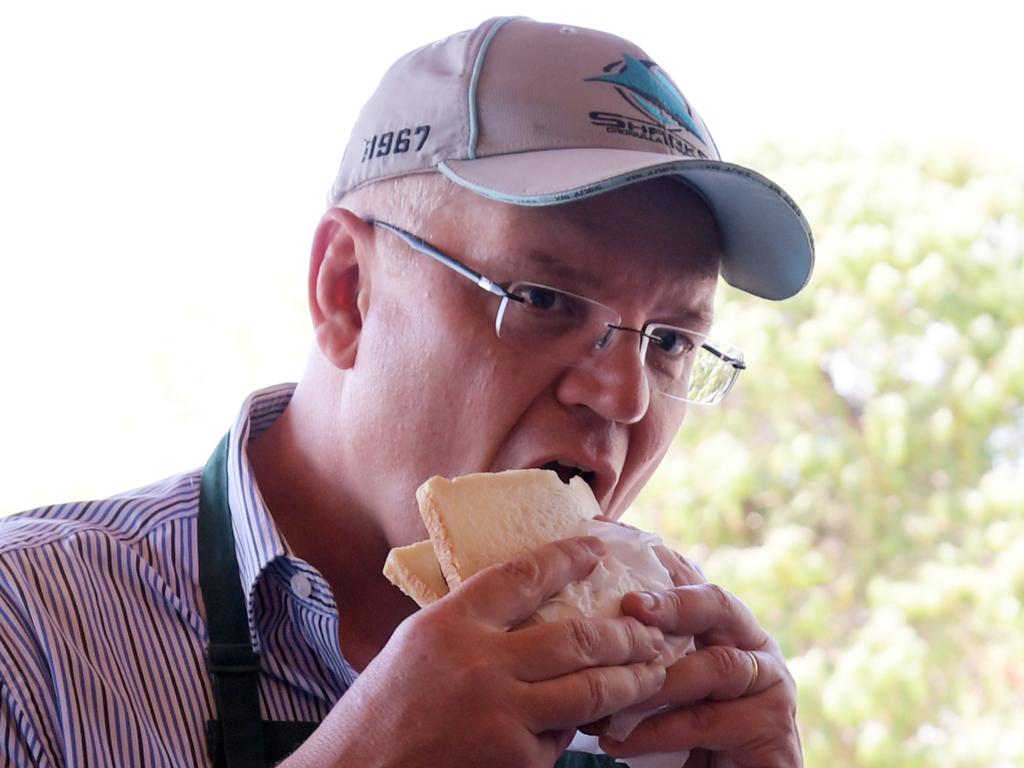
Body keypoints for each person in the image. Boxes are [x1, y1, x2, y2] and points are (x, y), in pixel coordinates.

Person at [0, 16, 812, 768]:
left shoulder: (669, 704)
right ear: (346, 289)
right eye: (541, 298)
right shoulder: (30, 629)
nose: (625, 396)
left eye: (671, 340)